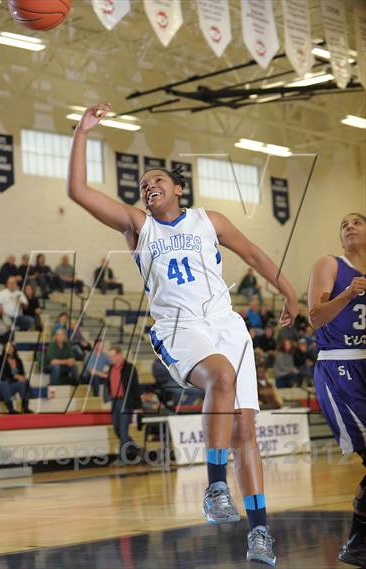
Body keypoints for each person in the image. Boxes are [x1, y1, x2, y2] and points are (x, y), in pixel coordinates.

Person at [67, 102, 299, 566]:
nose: (148, 187)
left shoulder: (208, 220)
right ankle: (215, 486)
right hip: (179, 326)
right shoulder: (138, 225)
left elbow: (253, 252)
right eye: (142, 184)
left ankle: (259, 535)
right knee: (219, 378)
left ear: (177, 188)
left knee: (246, 433)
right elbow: (77, 190)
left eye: (156, 181)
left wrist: (290, 293)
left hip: (227, 324)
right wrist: (82, 132)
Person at [308, 212, 366, 567]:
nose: (348, 226)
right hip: (340, 365)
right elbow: (315, 317)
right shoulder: (330, 264)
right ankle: (357, 542)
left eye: (356, 222)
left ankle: (358, 544)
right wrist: (348, 293)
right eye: (342, 223)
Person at [104, 345, 142, 465]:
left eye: (112, 356)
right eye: (109, 356)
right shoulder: (111, 368)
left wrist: (138, 406)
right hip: (115, 402)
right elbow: (109, 384)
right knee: (117, 430)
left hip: (126, 402)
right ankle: (136, 448)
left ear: (119, 355)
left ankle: (122, 459)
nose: (111, 358)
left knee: (123, 431)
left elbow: (135, 387)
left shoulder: (130, 368)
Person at [0, 341, 32, 414]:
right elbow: (4, 372)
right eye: (6, 347)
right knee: (4, 383)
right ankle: (11, 409)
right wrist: (16, 376)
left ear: (14, 348)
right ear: (4, 349)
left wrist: (22, 377)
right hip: (4, 385)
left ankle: (25, 407)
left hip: (13, 385)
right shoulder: (1, 359)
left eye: (11, 347)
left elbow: (22, 373)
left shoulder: (18, 360)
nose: (9, 348)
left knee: (22, 383)